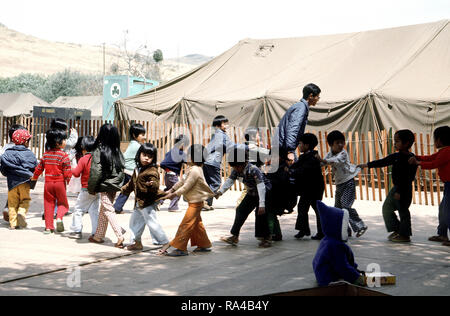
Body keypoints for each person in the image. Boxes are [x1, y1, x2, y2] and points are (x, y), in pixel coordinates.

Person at [358, 130, 417, 243]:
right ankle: (396, 230)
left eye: (397, 141)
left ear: (406, 143)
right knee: (387, 208)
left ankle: (405, 235)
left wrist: (399, 191)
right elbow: (382, 162)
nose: (395, 143)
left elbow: (407, 177)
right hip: (396, 188)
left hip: (404, 189)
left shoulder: (410, 159)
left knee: (403, 211)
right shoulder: (396, 156)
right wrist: (366, 165)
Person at [158, 145, 215, 257]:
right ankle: (204, 244)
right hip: (194, 202)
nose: (186, 157)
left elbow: (186, 187)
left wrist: (173, 194)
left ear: (194, 158)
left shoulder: (195, 171)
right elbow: (181, 182)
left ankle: (181, 248)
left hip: (196, 203)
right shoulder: (191, 169)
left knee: (186, 224)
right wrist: (171, 189)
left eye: (188, 155)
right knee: (197, 224)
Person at [216, 147, 272, 248]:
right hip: (252, 193)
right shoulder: (236, 170)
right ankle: (234, 236)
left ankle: (266, 238)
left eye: (238, 166)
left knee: (260, 214)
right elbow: (230, 181)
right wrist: (220, 192)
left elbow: (261, 186)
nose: (236, 169)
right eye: (234, 167)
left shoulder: (253, 170)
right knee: (241, 210)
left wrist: (262, 204)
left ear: (244, 162)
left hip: (264, 193)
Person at [121, 143, 170, 251]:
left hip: (147, 203)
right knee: (134, 223)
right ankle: (136, 243)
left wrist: (151, 184)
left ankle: (165, 242)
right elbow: (131, 184)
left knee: (152, 223)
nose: (147, 158)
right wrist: (121, 189)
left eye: (150, 156)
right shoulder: (137, 169)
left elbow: (155, 186)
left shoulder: (152, 171)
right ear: (139, 154)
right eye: (144, 155)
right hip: (139, 203)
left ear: (153, 158)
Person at [319, 131, 367, 238]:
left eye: (342, 142)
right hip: (339, 184)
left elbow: (335, 161)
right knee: (338, 209)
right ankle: (345, 230)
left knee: (346, 206)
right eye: (338, 143)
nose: (341, 145)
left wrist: (322, 160)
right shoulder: (330, 153)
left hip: (348, 182)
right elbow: (323, 163)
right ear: (331, 144)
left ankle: (360, 226)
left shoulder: (343, 153)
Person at [409, 126, 450, 246]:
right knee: (443, 210)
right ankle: (442, 234)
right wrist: (418, 157)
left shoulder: (447, 151)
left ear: (440, 140)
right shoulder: (444, 151)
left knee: (447, 211)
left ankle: (443, 234)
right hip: (448, 185)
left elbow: (434, 163)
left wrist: (418, 162)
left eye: (435, 139)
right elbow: (431, 158)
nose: (434, 141)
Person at [88, 124, 126, 248]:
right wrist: (117, 183)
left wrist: (92, 188)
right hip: (114, 185)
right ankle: (98, 236)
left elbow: (96, 171)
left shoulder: (99, 150)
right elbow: (122, 169)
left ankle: (119, 235)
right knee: (104, 210)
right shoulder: (118, 151)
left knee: (108, 210)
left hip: (104, 185)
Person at [313, 201, 365, 287]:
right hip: (327, 277)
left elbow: (346, 259)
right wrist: (356, 277)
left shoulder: (329, 239)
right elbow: (342, 266)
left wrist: (355, 270)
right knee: (348, 285)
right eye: (345, 225)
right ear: (336, 226)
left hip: (322, 272)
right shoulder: (334, 245)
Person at [32, 129, 72, 234]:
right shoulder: (64, 156)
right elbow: (67, 171)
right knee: (63, 204)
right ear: (58, 142)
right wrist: (69, 182)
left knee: (48, 204)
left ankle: (48, 228)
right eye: (64, 140)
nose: (65, 141)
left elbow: (39, 169)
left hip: (48, 183)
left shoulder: (45, 155)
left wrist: (34, 177)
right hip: (60, 183)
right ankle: (59, 217)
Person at [203, 115, 246, 210]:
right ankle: (204, 201)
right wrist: (245, 146)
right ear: (218, 126)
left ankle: (207, 203)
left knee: (209, 183)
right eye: (224, 124)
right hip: (213, 162)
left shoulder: (215, 135)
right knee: (216, 183)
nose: (227, 125)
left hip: (206, 161)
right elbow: (231, 146)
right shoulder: (221, 135)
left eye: (227, 123)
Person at [0, 129, 37, 230]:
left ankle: (13, 224)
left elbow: (3, 169)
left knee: (12, 203)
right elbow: (35, 167)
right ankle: (21, 212)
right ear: (25, 142)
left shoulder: (7, 153)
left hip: (11, 183)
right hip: (25, 183)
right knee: (25, 200)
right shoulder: (29, 154)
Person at [290, 133, 325, 240]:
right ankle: (304, 229)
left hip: (314, 188)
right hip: (307, 188)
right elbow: (297, 166)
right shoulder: (305, 156)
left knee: (316, 209)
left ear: (307, 145)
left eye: (300, 143)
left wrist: (292, 171)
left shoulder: (313, 157)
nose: (298, 146)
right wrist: (289, 167)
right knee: (302, 208)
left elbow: (303, 170)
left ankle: (321, 232)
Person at [277, 83, 321, 162]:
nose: (318, 99)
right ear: (311, 96)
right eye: (318, 96)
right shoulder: (301, 108)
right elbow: (293, 129)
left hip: (283, 147)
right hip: (284, 149)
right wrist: (290, 151)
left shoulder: (300, 106)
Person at [67, 136, 99, 239]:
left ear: (83, 147)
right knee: (94, 211)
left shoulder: (84, 159)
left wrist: (71, 169)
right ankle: (96, 233)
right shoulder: (98, 158)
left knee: (79, 209)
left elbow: (76, 174)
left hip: (86, 189)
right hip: (97, 190)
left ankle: (77, 231)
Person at [114, 123, 146, 214]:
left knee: (127, 190)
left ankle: (117, 207)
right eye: (142, 135)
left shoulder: (132, 144)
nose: (144, 137)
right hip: (132, 171)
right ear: (134, 135)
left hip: (127, 170)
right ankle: (140, 207)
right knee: (139, 190)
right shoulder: (138, 146)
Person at [0, 124, 26, 222]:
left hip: (9, 174)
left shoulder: (6, 147)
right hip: (21, 175)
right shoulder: (21, 147)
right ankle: (14, 213)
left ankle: (8, 208)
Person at [160, 134, 189, 212]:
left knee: (169, 189)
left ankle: (158, 201)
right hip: (173, 176)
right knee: (177, 191)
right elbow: (189, 162)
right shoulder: (181, 153)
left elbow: (163, 163)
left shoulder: (170, 151)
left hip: (167, 175)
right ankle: (173, 207)